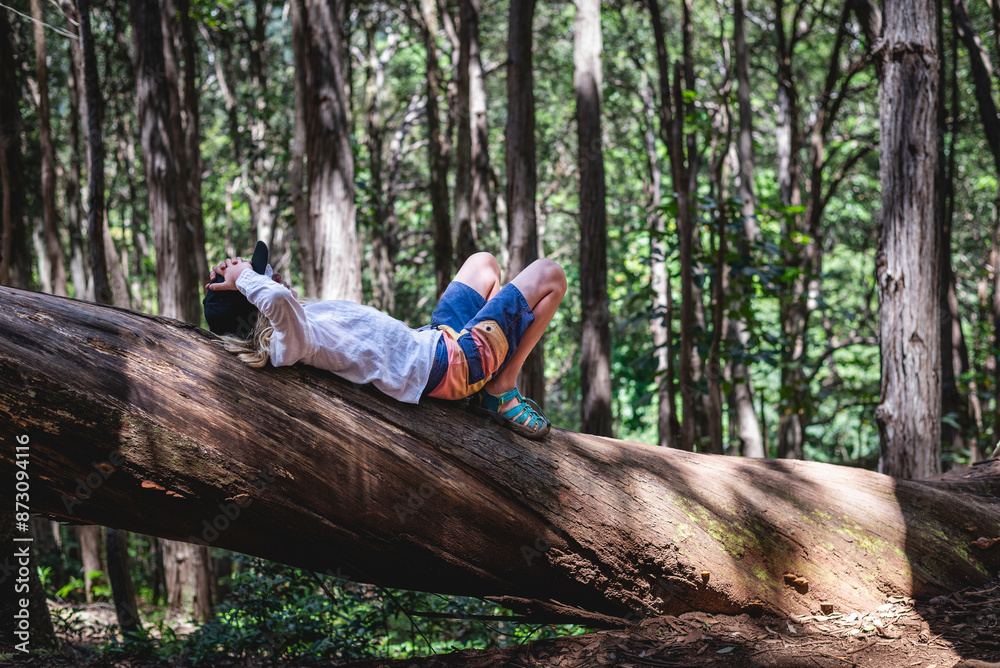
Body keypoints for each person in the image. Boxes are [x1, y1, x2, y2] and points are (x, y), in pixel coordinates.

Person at [203, 243, 566, 439]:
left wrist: (245, 279)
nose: (275, 276)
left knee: (483, 263)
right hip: (452, 365)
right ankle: (500, 390)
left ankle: (486, 383)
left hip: (434, 343)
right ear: (256, 305)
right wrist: (244, 277)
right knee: (550, 274)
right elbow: (279, 301)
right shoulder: (290, 342)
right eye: (264, 277)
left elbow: (280, 300)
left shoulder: (304, 322)